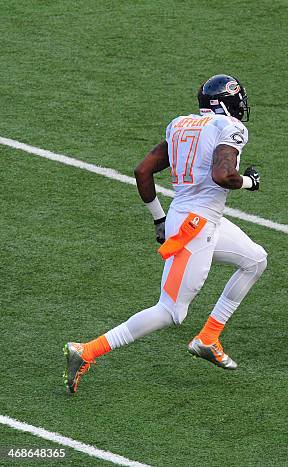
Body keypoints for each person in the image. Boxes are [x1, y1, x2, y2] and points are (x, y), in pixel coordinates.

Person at [65, 74, 267, 394]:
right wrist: (249, 182)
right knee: (171, 310)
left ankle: (209, 337)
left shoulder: (180, 124)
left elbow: (142, 171)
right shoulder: (230, 128)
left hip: (193, 219)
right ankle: (86, 350)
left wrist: (159, 220)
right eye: (238, 96)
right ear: (224, 102)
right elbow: (223, 174)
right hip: (196, 228)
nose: (242, 102)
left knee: (255, 259)